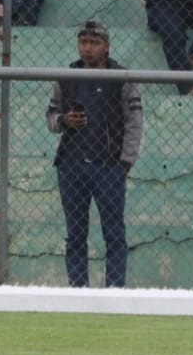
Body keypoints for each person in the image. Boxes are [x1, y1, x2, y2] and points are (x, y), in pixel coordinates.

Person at [46, 20, 143, 288]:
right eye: (83, 42)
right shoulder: (67, 78)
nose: (87, 49)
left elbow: (134, 122)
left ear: (107, 47)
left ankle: (115, 291)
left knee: (113, 233)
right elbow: (51, 118)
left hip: (108, 166)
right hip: (71, 165)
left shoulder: (122, 79)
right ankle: (78, 290)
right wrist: (65, 121)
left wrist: (125, 163)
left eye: (94, 43)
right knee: (75, 234)